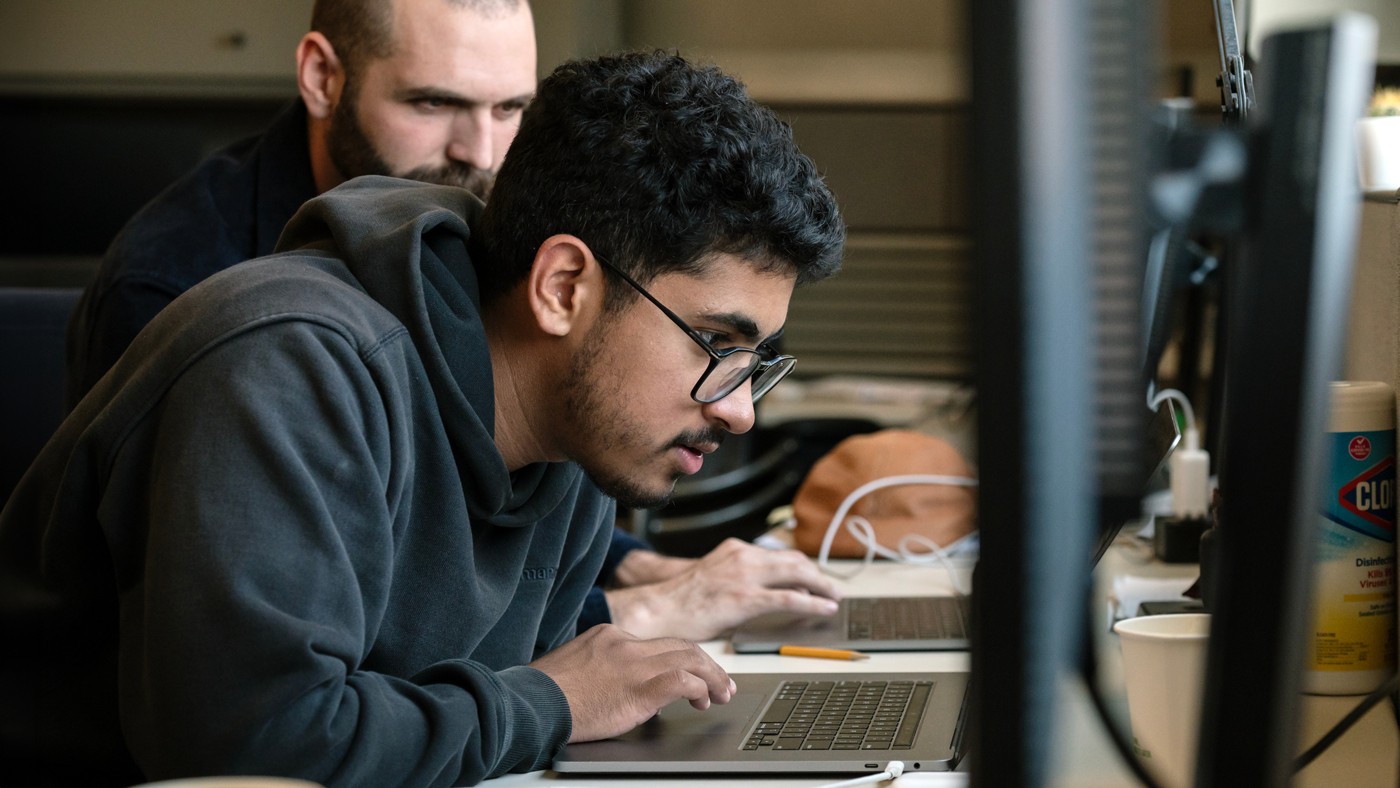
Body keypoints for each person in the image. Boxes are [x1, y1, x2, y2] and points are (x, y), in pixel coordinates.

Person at [0, 50, 845, 786]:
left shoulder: (579, 428)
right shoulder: (290, 366)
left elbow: (472, 703)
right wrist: (551, 700)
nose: (736, 410)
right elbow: (253, 750)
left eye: (754, 358)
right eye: (711, 342)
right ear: (562, 289)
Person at [64, 0, 842, 642]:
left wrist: (635, 568)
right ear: (321, 77)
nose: (482, 152)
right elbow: (268, 694)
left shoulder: (520, 304)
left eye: (512, 108)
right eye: (433, 102)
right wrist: (602, 644)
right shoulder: (229, 316)